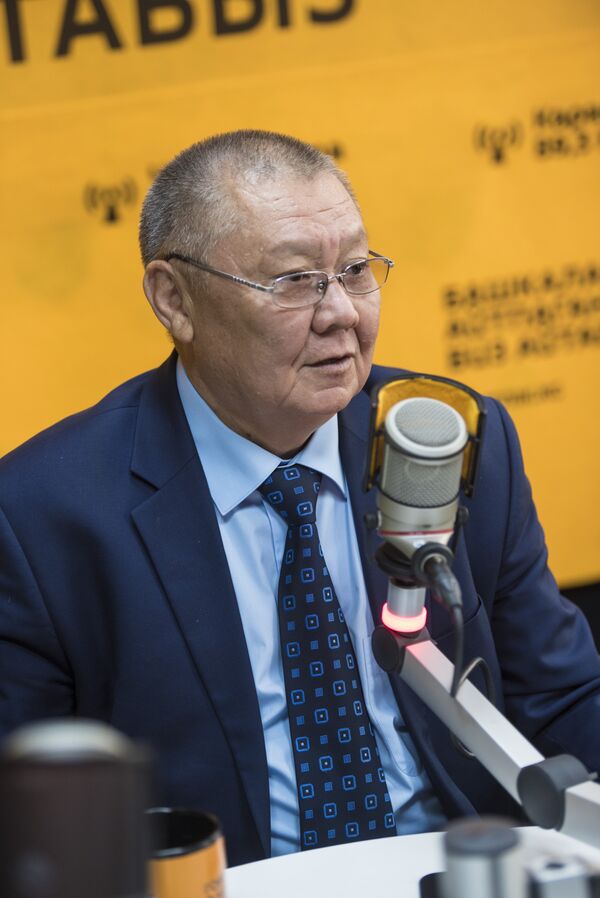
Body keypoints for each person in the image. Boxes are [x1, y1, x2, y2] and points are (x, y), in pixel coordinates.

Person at [1, 130, 599, 867]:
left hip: (460, 862)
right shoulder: (42, 516)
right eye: (294, 281)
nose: (342, 312)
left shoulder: (448, 438)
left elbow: (561, 699)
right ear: (174, 299)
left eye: (355, 270)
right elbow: (31, 818)